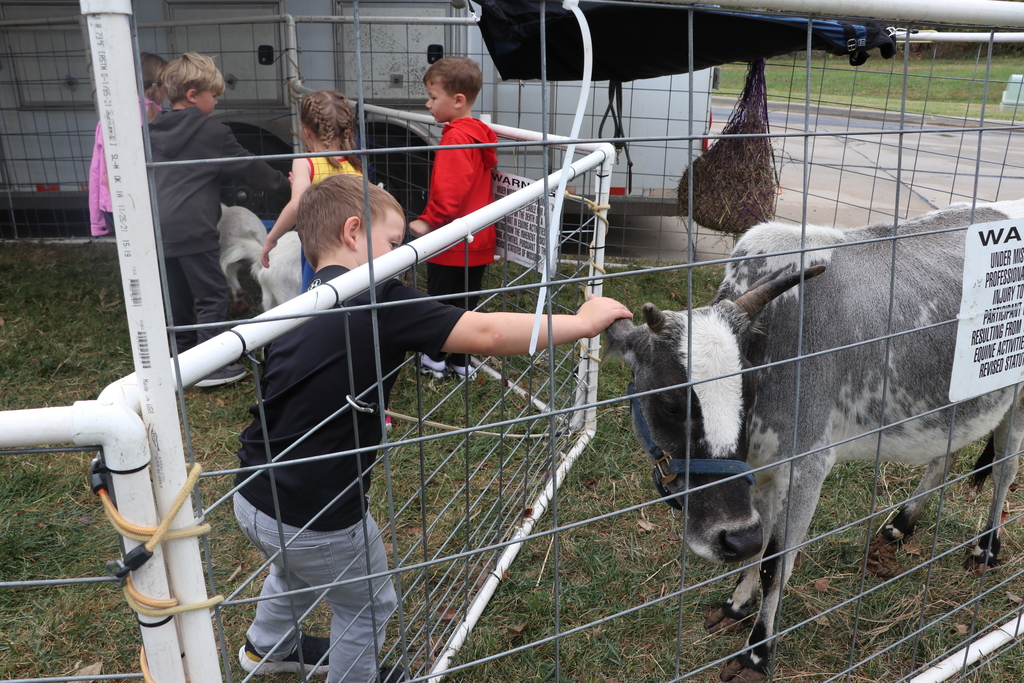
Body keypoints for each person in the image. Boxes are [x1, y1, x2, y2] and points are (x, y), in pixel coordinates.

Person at [234, 174, 631, 682]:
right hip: (320, 512)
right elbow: (484, 333)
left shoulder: (306, 297)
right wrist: (578, 322)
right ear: (354, 233)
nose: (404, 256)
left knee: (293, 566)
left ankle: (266, 649)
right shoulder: (381, 297)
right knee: (368, 602)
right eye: (395, 244)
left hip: (253, 493)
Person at [148, 52, 288, 387]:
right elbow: (249, 168)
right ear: (194, 95)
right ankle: (208, 366)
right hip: (195, 229)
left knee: (177, 296)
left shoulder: (150, 132)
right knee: (210, 294)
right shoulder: (213, 133)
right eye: (214, 96)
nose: (216, 102)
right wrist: (285, 183)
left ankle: (180, 359)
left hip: (155, 230)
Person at [406, 56, 499, 379]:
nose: (427, 104)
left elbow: (450, 188)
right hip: (477, 239)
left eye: (433, 97)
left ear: (458, 101)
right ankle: (460, 361)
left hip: (451, 240)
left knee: (440, 305)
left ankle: (433, 359)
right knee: (465, 305)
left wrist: (429, 220)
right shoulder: (477, 134)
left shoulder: (456, 137)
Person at [261, 89, 362, 289]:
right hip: (354, 246)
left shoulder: (306, 162)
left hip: (319, 249)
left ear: (306, 131)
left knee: (316, 301)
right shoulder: (355, 164)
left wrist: (270, 240)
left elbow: (297, 205)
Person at [89, 52, 167, 237]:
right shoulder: (160, 116)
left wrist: (97, 220)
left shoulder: (111, 114)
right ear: (160, 85)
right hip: (148, 203)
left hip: (113, 204)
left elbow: (98, 169)